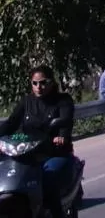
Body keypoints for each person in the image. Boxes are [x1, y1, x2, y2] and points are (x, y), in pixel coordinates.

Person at [0, 65, 75, 218]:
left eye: (43, 82)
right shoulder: (26, 101)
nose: (38, 87)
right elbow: (11, 123)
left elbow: (66, 121)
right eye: (35, 83)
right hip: (27, 152)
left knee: (48, 178)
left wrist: (62, 136)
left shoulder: (62, 100)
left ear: (51, 82)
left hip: (53, 152)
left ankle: (56, 214)